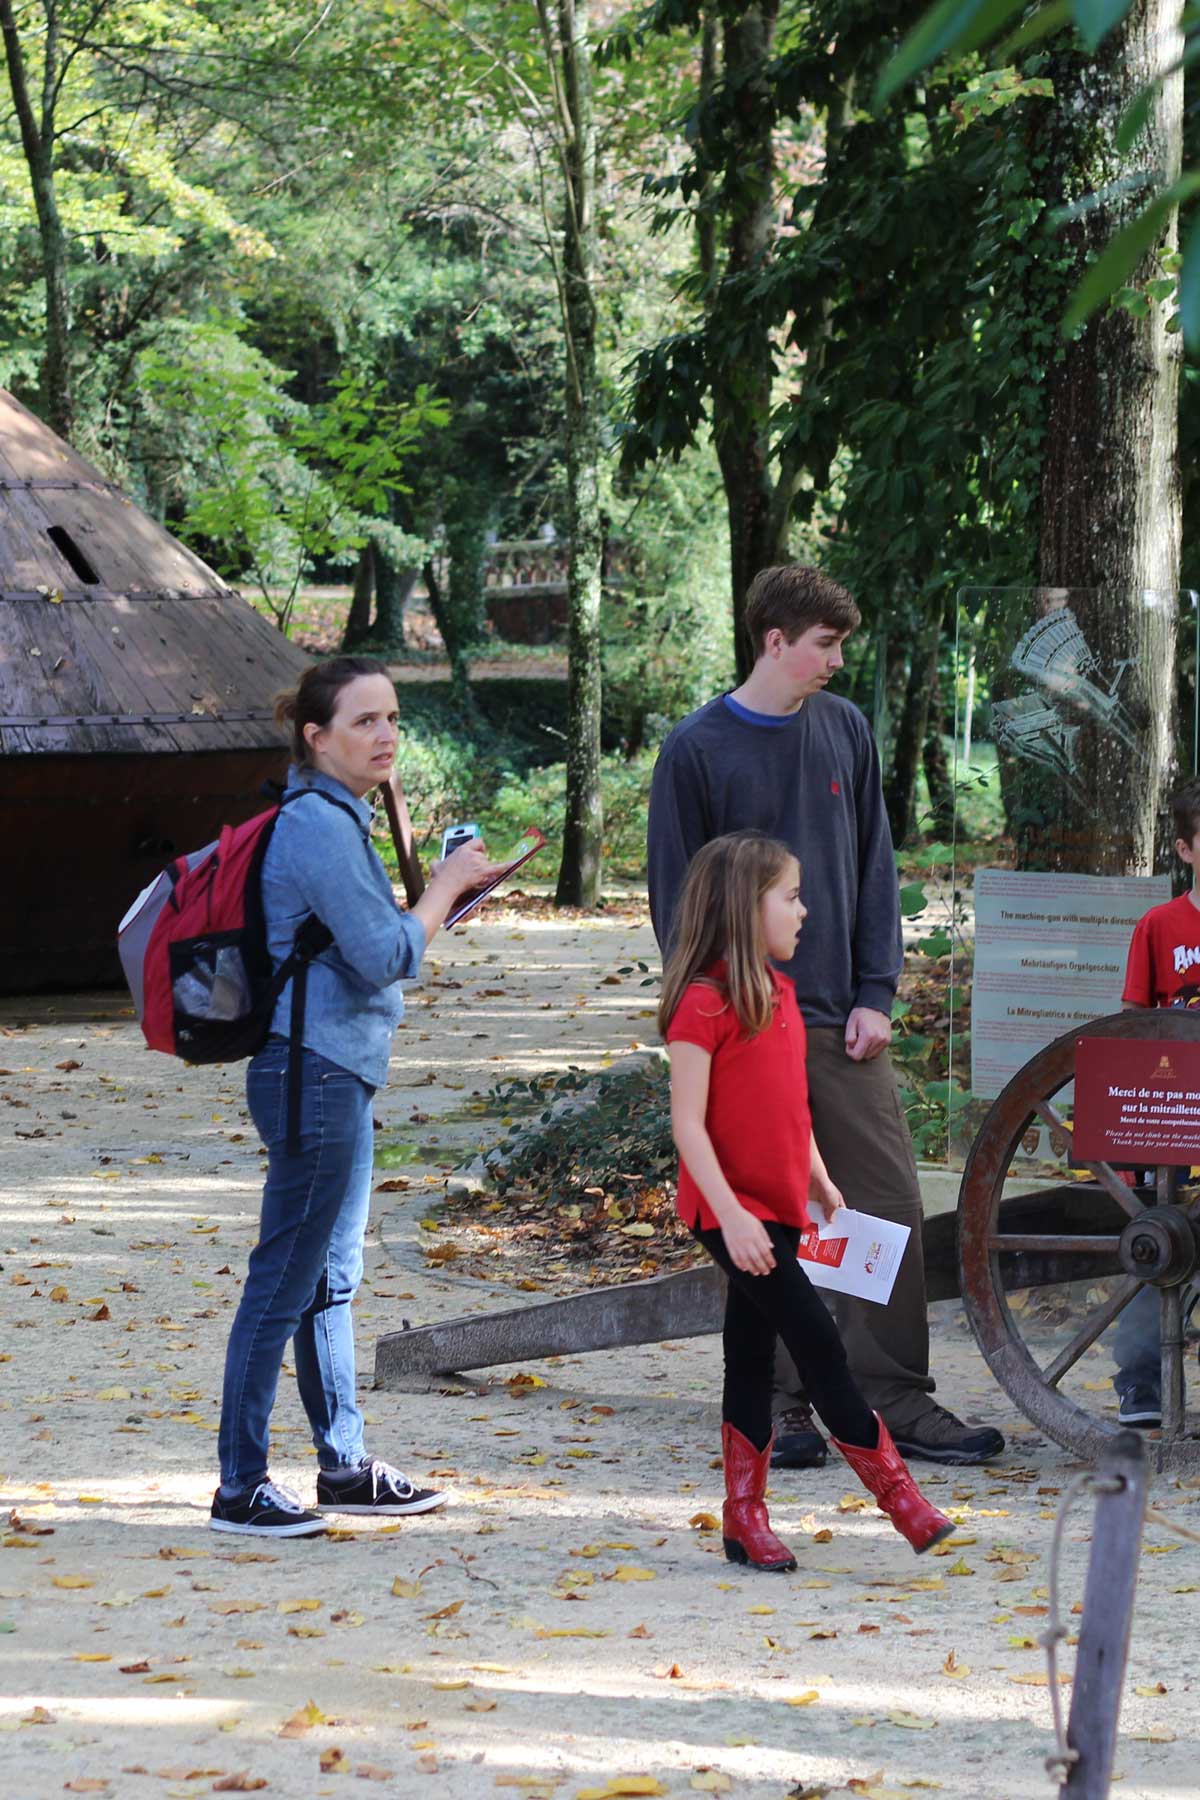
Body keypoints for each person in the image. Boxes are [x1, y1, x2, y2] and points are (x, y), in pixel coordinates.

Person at [648, 564, 1005, 1467]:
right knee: (771, 1219)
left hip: (843, 1024)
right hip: (742, 1031)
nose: (838, 660)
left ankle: (893, 1398)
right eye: (825, 644)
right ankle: (781, 1402)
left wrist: (877, 993)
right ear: (776, 641)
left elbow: (876, 864)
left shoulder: (845, 730)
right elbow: (675, 905)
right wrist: (722, 1019)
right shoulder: (695, 751)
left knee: (881, 1207)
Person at [211, 656, 504, 1538]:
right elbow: (386, 955)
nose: (385, 736)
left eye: (393, 719)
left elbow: (367, 946)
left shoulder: (341, 818)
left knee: (332, 1282)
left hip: (336, 1069)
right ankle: (240, 1486)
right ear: (316, 736)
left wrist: (437, 905)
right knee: (284, 1282)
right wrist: (445, 887)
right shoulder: (315, 825)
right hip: (312, 1072)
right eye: (364, 721)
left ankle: (341, 1467)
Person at [662, 831, 954, 1569]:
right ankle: (901, 1500)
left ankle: (743, 1518)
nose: (804, 911)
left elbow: (790, 1109)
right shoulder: (701, 1005)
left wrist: (819, 1176)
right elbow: (688, 1127)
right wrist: (730, 1217)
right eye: (789, 897)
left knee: (749, 1356)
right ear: (742, 906)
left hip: (783, 1203)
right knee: (819, 1343)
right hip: (729, 1209)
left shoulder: (784, 995)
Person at [1112, 777, 1200, 1427]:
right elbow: (1132, 1031)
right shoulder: (1160, 927)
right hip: (1175, 1118)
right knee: (1156, 1248)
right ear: (1186, 848)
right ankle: (1140, 1384)